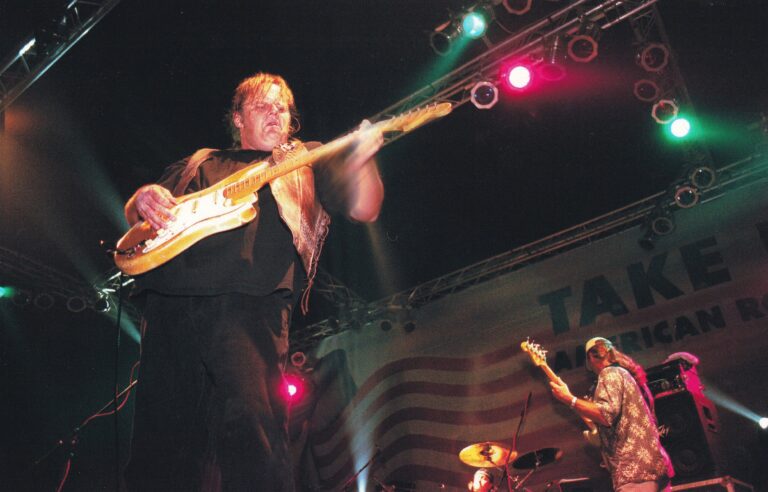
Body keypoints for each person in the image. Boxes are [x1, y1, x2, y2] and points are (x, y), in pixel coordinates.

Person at [122, 72, 384, 491]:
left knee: (253, 436)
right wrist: (141, 199)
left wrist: (364, 159)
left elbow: (365, 208)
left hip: (250, 305)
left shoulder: (306, 159)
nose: (275, 113)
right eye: (263, 105)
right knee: (158, 445)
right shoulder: (198, 163)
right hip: (170, 304)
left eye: (282, 107)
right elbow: (135, 220)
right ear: (238, 119)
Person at [549, 337, 674, 492]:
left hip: (634, 471)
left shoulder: (608, 374)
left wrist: (570, 399)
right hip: (656, 466)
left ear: (590, 359)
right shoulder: (628, 377)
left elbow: (605, 415)